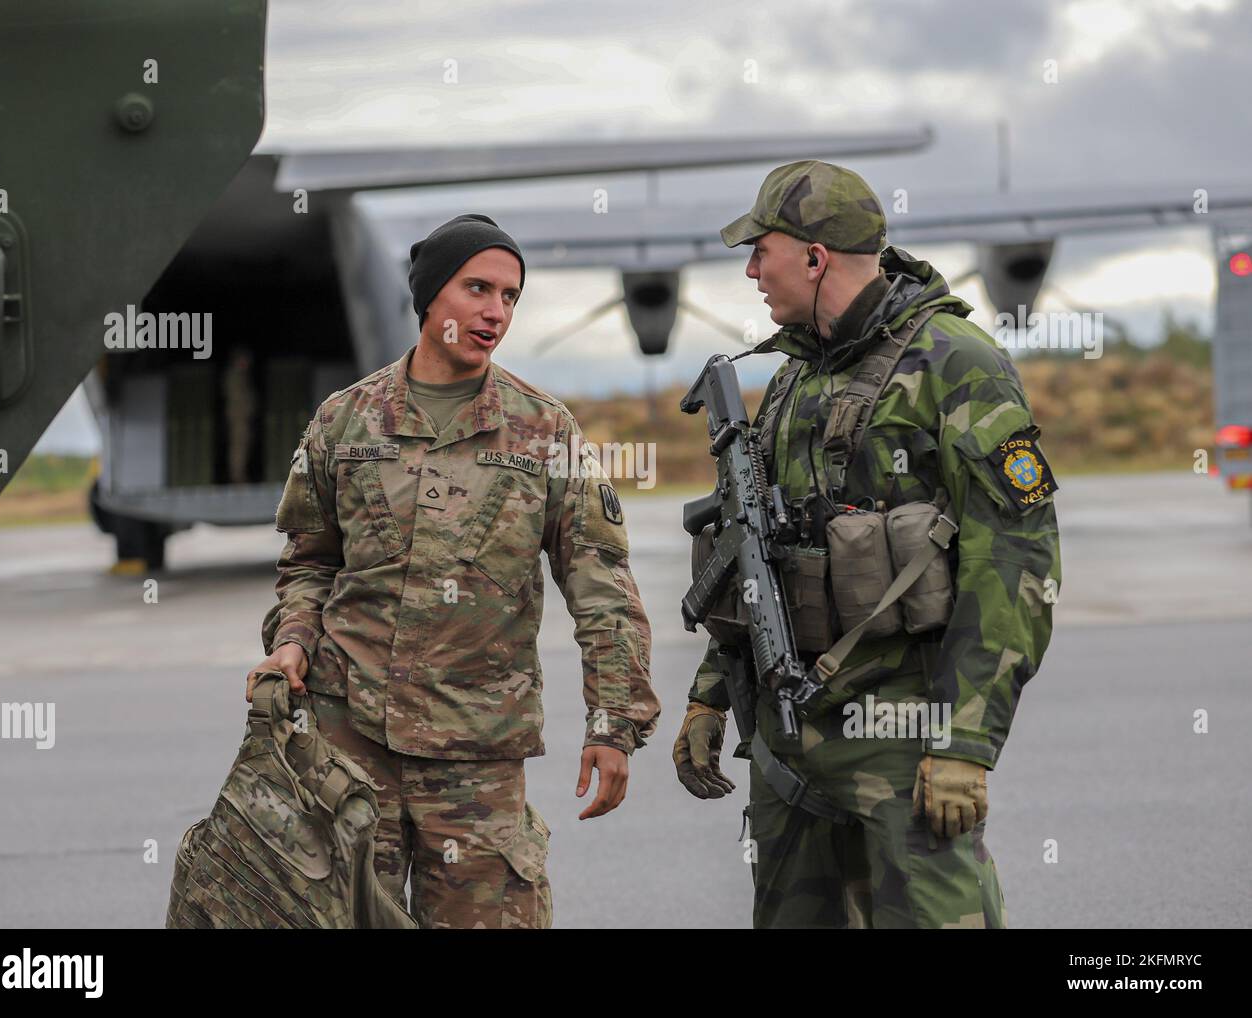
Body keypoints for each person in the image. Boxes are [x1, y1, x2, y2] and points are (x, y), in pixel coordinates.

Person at [672, 161, 1061, 928]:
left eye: (763, 250)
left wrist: (965, 743)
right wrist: (711, 693)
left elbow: (1016, 563)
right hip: (791, 744)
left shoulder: (957, 363)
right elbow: (757, 557)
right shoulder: (791, 379)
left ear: (815, 258)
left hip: (907, 746)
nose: (751, 270)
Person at [248, 213, 660, 929]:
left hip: (477, 759)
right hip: (348, 749)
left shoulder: (543, 431)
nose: (496, 311)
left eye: (510, 296)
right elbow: (309, 565)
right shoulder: (345, 423)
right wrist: (290, 642)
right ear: (432, 295)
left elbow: (602, 586)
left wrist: (613, 721)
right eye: (478, 288)